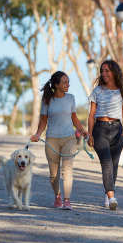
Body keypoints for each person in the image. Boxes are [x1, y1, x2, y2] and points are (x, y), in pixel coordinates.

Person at [30, 71, 88, 210]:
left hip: (69, 138)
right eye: (65, 82)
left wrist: (81, 129)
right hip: (52, 139)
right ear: (56, 85)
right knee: (53, 174)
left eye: (68, 82)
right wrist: (38, 134)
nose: (68, 85)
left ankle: (67, 200)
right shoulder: (47, 100)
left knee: (67, 170)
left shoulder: (71, 98)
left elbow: (74, 117)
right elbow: (43, 120)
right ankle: (57, 195)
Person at [87, 59, 123, 210]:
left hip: (118, 129)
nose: (104, 74)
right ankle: (112, 197)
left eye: (107, 71)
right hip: (100, 129)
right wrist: (90, 134)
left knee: (114, 164)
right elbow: (91, 114)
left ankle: (107, 195)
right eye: (102, 71)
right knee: (106, 163)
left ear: (114, 72)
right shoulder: (97, 91)